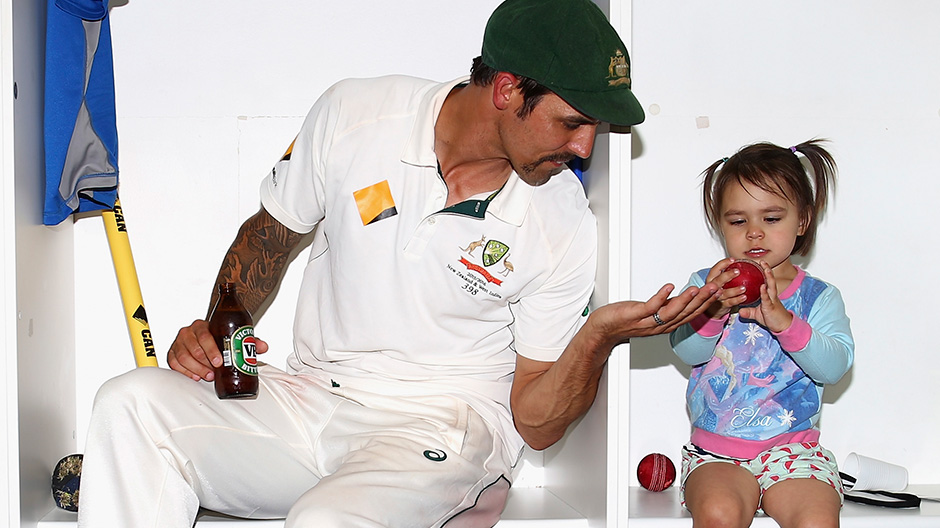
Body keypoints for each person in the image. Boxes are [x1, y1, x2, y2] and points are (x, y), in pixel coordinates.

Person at [76, 0, 721, 526]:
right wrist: (220, 334)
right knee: (129, 404)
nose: (584, 147)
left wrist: (599, 336)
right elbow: (268, 237)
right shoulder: (356, 116)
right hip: (308, 401)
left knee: (325, 522)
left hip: (446, 427)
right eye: (571, 122)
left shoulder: (562, 219)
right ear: (506, 89)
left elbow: (537, 423)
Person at [669, 139, 854, 528]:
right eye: (738, 221)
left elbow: (834, 367)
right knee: (719, 513)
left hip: (794, 452)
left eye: (771, 219)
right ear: (721, 225)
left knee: (817, 519)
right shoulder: (706, 285)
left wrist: (784, 321)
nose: (754, 233)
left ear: (801, 221)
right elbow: (687, 352)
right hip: (716, 453)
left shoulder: (818, 297)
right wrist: (713, 310)